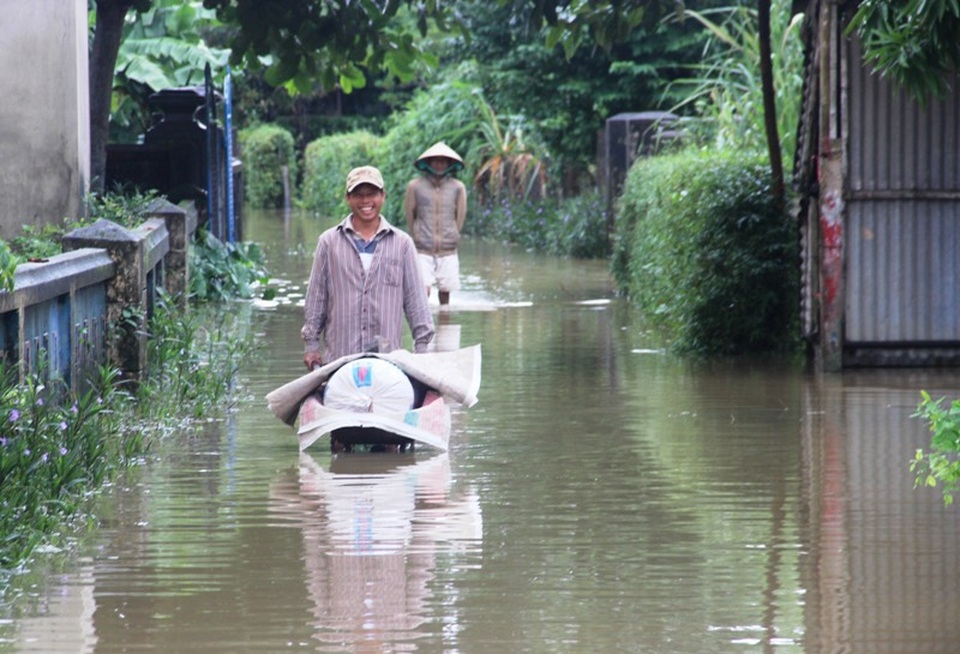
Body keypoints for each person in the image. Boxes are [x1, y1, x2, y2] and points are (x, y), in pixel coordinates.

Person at [301, 165, 434, 370]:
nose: (365, 201)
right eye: (358, 195)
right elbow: (317, 297)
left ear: (383, 196)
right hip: (340, 358)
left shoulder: (402, 243)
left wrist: (422, 346)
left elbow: (416, 299)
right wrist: (311, 344)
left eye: (371, 194)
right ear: (348, 198)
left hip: (387, 360)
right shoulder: (329, 242)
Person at [404, 142, 468, 306]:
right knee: (423, 288)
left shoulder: (457, 187)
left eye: (443, 161)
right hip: (423, 246)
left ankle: (444, 322)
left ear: (449, 164)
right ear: (429, 163)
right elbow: (410, 213)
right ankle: (424, 323)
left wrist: (454, 233)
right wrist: (416, 234)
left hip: (448, 247)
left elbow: (460, 215)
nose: (439, 164)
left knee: (445, 290)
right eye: (436, 161)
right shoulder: (415, 186)